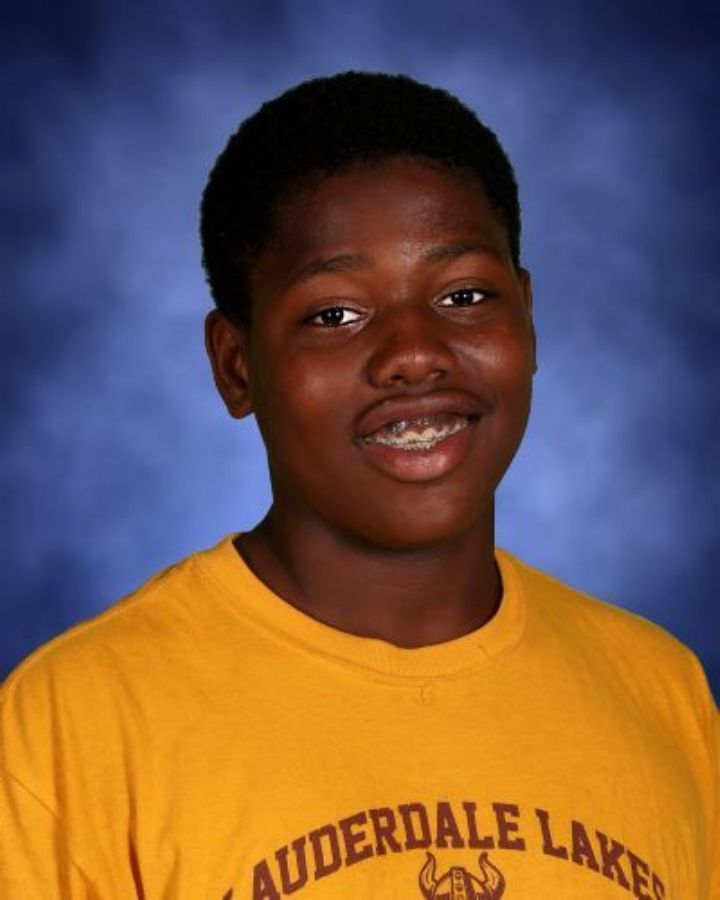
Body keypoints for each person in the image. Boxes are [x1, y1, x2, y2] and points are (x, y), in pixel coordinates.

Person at [1, 71, 717, 900]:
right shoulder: (70, 730)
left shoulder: (662, 693)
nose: (414, 352)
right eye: (335, 314)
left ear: (527, 316)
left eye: (464, 295)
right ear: (236, 366)